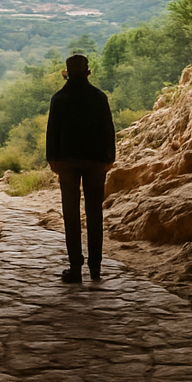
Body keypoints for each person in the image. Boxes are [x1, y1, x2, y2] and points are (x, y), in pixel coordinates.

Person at [45, 53, 116, 283]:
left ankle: (75, 267)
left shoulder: (59, 99)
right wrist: (109, 157)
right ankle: (95, 268)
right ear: (88, 72)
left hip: (66, 161)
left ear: (66, 73)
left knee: (71, 214)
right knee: (94, 213)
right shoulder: (99, 97)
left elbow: (52, 132)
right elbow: (108, 130)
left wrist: (52, 158)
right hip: (95, 160)